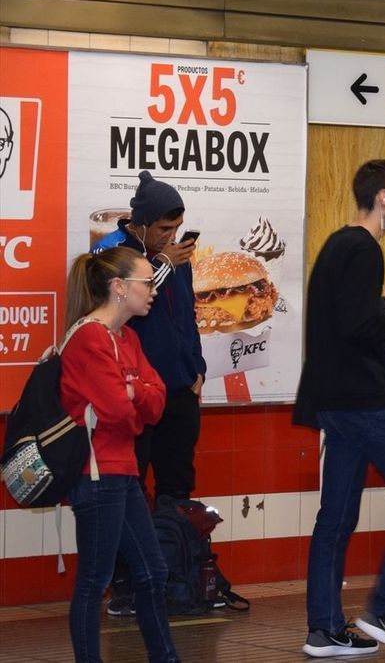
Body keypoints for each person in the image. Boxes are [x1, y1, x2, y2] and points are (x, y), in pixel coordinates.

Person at [293, 160, 385, 658]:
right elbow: (357, 328)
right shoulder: (363, 248)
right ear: (381, 197)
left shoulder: (338, 245)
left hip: (331, 401)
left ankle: (325, 630)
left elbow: (341, 322)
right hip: (359, 400)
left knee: (335, 518)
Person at [93, 171, 206, 616]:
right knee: (130, 490)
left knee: (178, 486)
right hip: (133, 395)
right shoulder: (109, 254)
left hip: (177, 390)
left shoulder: (176, 259)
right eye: (162, 229)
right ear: (138, 223)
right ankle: (126, 586)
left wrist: (196, 369)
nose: (171, 237)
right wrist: (164, 265)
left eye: (176, 229)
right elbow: (114, 308)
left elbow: (188, 316)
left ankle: (179, 577)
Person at [60, 247, 178, 662]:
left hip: (122, 471)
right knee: (95, 580)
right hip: (96, 475)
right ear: (118, 287)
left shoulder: (126, 338)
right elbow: (120, 415)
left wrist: (134, 394)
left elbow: (157, 401)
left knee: (152, 571)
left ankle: (165, 657)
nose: (153, 291)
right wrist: (133, 398)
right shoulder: (90, 337)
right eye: (147, 282)